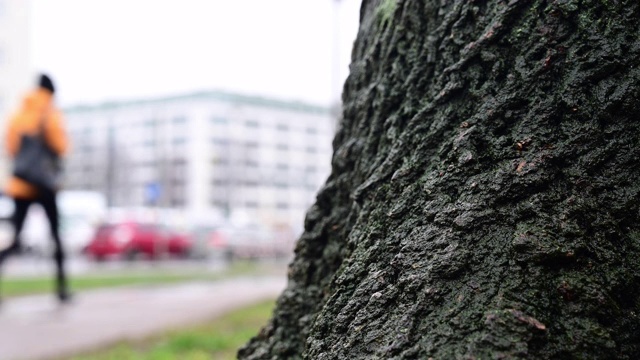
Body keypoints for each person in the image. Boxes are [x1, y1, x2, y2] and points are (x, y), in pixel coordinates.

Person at [0, 74, 70, 303]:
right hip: (44, 184)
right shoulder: (49, 113)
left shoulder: (18, 115)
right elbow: (60, 146)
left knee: (16, 237)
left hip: (20, 184)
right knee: (56, 236)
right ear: (51, 91)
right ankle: (61, 289)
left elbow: (10, 147)